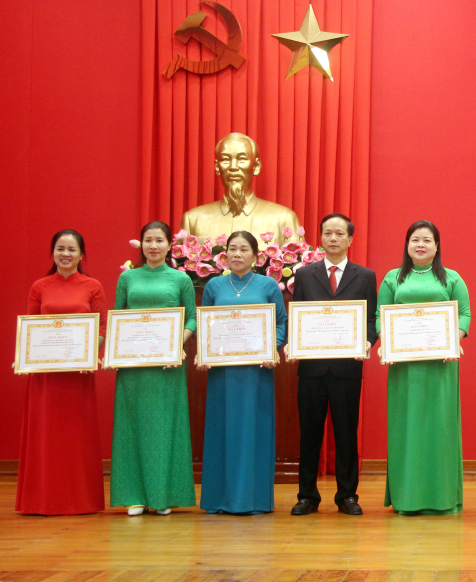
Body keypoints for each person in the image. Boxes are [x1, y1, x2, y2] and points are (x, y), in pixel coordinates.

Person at [376, 220, 471, 515]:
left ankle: (442, 497)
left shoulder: (452, 278)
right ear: (407, 245)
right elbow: (381, 316)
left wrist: (454, 339)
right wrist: (386, 343)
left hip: (441, 367)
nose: (420, 245)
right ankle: (407, 498)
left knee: (440, 428)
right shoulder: (392, 279)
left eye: (427, 240)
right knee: (408, 428)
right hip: (404, 368)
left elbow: (465, 314)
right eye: (415, 240)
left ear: (437, 246)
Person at [288, 213, 378, 516]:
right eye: (328, 233)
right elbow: (297, 317)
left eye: (340, 233)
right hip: (311, 369)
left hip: (347, 369)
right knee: (309, 433)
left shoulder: (365, 276)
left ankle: (347, 496)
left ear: (350, 239)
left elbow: (370, 320)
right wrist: (293, 341)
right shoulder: (304, 275)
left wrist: (367, 342)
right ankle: (307, 496)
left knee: (346, 432)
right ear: (321, 238)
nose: (333, 238)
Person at [15, 230, 107, 515]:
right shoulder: (39, 286)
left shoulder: (92, 286)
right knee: (46, 436)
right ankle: (41, 500)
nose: (65, 254)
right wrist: (22, 357)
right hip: (45, 376)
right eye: (60, 248)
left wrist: (88, 351)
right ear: (53, 252)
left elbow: (103, 329)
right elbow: (29, 327)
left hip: (77, 374)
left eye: (71, 249)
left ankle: (81, 500)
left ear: (81, 254)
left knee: (76, 437)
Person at [110, 221, 197, 516]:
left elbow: (192, 320)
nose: (154, 246)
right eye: (148, 240)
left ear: (169, 246)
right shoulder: (128, 278)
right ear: (141, 244)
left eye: (159, 240)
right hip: (133, 366)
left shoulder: (180, 279)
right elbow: (117, 317)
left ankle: (164, 495)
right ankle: (134, 496)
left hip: (167, 365)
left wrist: (177, 344)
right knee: (131, 427)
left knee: (165, 428)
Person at [196, 231, 286, 514]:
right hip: (222, 374)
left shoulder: (269, 285)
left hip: (256, 373)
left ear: (255, 256)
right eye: (232, 249)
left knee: (253, 431)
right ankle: (219, 499)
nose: (237, 254)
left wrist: (272, 349)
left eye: (243, 249)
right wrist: (203, 351)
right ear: (224, 255)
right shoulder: (213, 286)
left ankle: (254, 499)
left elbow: (281, 324)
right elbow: (204, 325)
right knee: (222, 431)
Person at [180, 133, 302, 247]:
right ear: (217, 167)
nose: (233, 167)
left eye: (242, 159)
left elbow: (297, 266)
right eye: (226, 159)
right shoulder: (193, 219)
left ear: (256, 167)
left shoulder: (283, 219)